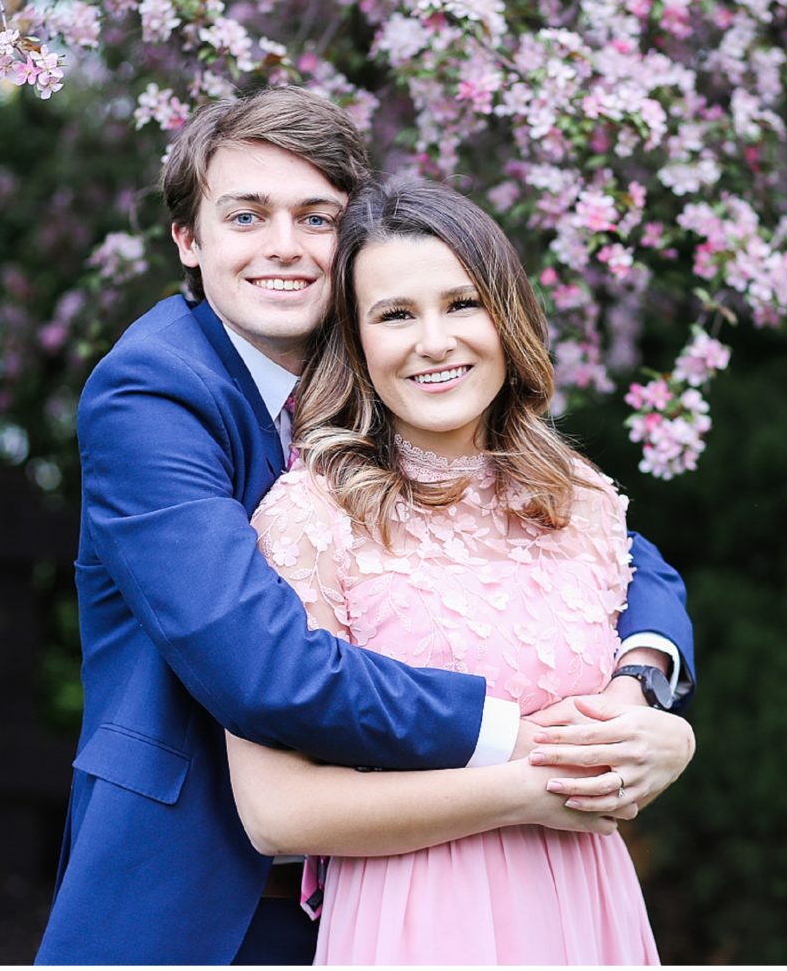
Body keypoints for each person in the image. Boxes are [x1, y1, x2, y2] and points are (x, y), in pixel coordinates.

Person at [34, 86, 696, 965]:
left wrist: (644, 684)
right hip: (203, 894)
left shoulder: (390, 385)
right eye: (246, 215)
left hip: (423, 899)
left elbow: (605, 546)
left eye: (316, 217)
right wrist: (521, 747)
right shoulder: (153, 393)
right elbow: (266, 668)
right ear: (188, 241)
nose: (284, 247)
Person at [227, 177, 686, 963]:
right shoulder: (309, 518)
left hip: (588, 911)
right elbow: (278, 811)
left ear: (506, 318)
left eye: (462, 303)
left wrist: (667, 734)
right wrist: (531, 790)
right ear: (357, 341)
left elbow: (642, 662)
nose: (434, 341)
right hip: (417, 921)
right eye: (396, 314)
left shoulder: (580, 499)